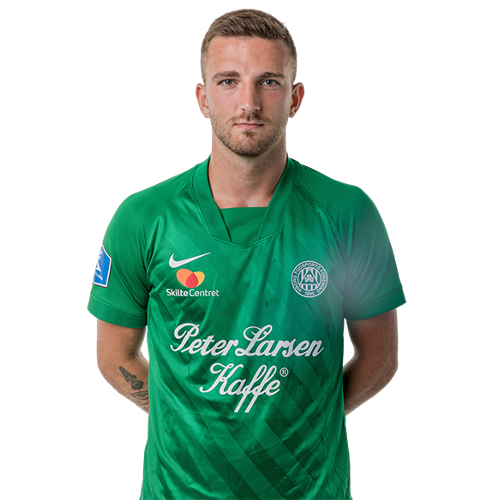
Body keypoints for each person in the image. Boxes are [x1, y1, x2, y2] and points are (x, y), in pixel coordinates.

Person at [89, 8, 406, 500]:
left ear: (296, 98)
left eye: (269, 82)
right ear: (203, 98)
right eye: (229, 81)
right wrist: (187, 415)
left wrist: (308, 418)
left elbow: (380, 358)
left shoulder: (349, 212)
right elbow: (114, 357)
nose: (249, 102)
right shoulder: (142, 218)